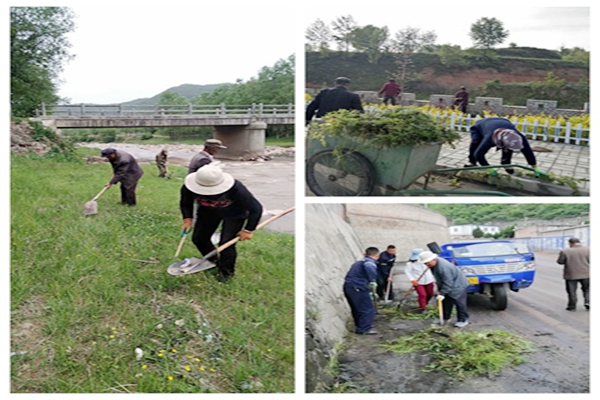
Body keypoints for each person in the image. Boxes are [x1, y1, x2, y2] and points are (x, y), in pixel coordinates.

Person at [180, 164, 263, 282]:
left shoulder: (236, 188)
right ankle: (213, 262)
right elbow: (185, 202)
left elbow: (256, 209)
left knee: (226, 244)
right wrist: (187, 218)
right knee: (199, 238)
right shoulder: (188, 186)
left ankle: (226, 273)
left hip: (234, 213)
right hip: (208, 212)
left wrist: (249, 230)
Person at [465, 117, 539, 175]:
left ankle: (506, 164)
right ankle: (472, 161)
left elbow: (528, 151)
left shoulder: (518, 137)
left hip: (503, 122)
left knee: (509, 145)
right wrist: (488, 168)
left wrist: (535, 167)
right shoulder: (490, 138)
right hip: (480, 126)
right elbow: (478, 155)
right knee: (476, 142)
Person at [418, 250, 469, 327]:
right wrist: (440, 291)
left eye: (427, 263)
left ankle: (463, 319)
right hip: (448, 285)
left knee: (459, 303)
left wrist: (442, 293)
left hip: (458, 285)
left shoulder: (443, 267)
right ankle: (445, 317)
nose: (426, 265)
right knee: (445, 302)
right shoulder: (433, 265)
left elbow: (448, 282)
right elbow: (440, 279)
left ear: (434, 259)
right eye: (425, 263)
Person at [343, 247, 380, 335]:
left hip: (350, 286)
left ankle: (360, 326)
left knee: (357, 308)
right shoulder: (369, 262)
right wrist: (372, 280)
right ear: (377, 256)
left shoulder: (359, 262)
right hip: (358, 287)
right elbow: (369, 267)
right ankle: (364, 329)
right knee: (367, 308)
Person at [557, 238, 589, 311]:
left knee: (571, 291)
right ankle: (588, 302)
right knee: (587, 289)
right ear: (579, 242)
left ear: (570, 243)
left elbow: (560, 262)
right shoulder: (588, 250)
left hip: (571, 274)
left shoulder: (565, 251)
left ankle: (572, 306)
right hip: (586, 274)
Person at [404, 248, 436, 313]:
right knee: (422, 295)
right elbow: (407, 272)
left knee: (430, 294)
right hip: (418, 282)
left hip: (429, 280)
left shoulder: (427, 261)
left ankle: (425, 303)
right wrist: (412, 280)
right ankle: (423, 307)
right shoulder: (410, 264)